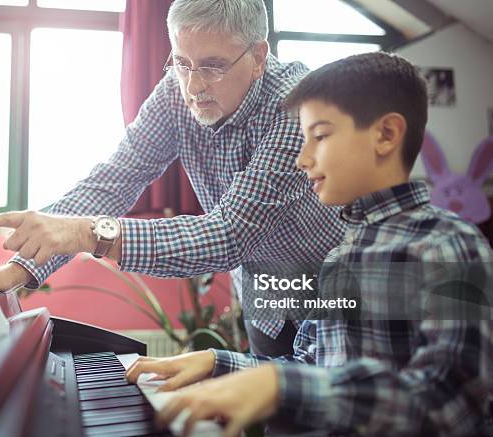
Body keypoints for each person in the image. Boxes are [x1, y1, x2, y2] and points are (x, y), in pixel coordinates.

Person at [127, 52, 493, 436]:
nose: (302, 159)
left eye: (319, 136)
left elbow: (451, 403)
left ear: (386, 135)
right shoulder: (338, 257)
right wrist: (217, 363)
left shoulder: (448, 246)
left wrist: (280, 388)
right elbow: (312, 368)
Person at [0, 0, 345, 357]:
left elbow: (229, 235)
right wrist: (20, 266)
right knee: (277, 415)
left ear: (258, 58)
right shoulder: (176, 92)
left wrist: (83, 233)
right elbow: (115, 180)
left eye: (213, 67)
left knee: (342, 409)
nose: (194, 86)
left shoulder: (297, 106)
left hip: (335, 291)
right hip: (265, 299)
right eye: (182, 63)